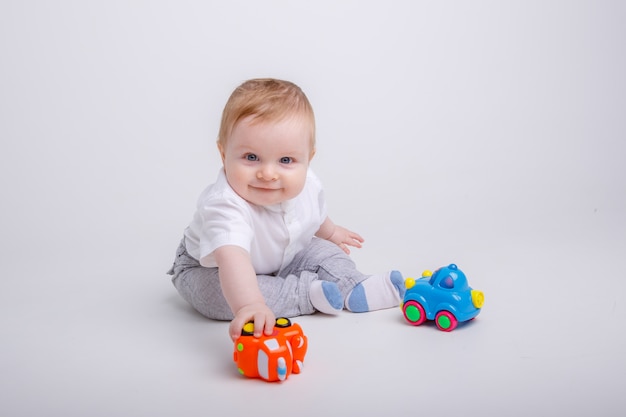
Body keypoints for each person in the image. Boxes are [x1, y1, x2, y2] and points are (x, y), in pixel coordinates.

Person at [168, 78, 404, 342]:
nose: (268, 173)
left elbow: (314, 214)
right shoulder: (224, 205)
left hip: (281, 253)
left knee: (324, 250)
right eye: (251, 157)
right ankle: (305, 295)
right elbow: (233, 259)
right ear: (223, 154)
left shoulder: (308, 183)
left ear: (307, 159)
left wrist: (332, 232)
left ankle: (353, 285)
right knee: (221, 298)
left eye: (285, 160)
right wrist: (249, 305)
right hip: (209, 267)